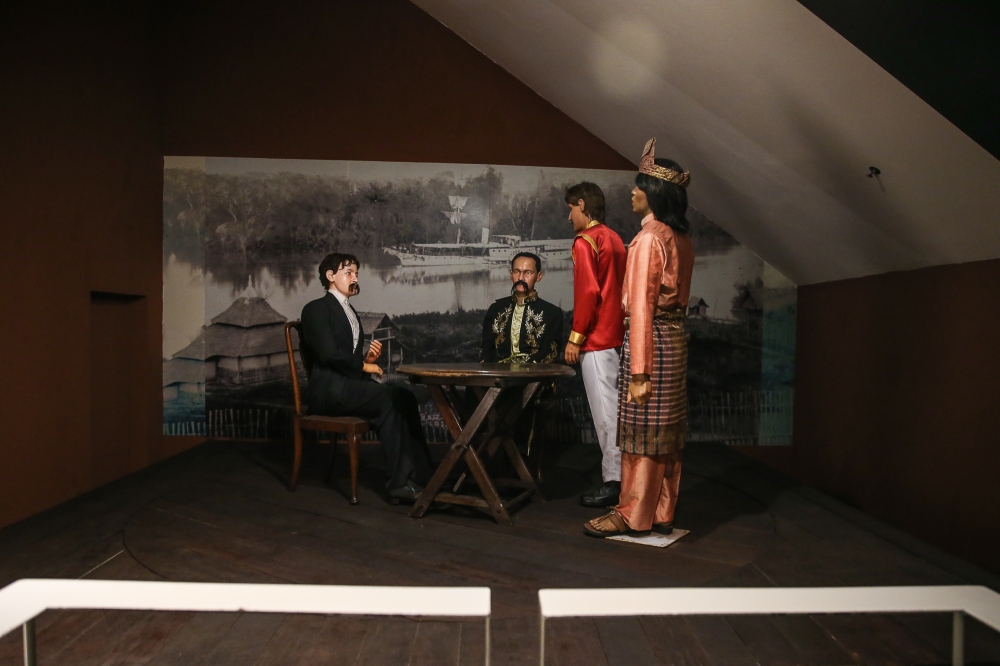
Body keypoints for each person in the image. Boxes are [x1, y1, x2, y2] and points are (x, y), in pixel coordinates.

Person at [584, 138, 695, 537]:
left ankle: (632, 513)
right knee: (665, 433)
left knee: (642, 432)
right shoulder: (680, 238)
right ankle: (661, 510)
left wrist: (639, 371)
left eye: (640, 186)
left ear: (655, 193)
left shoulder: (649, 239)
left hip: (652, 343)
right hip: (674, 341)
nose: (633, 192)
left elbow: (643, 309)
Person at [300, 252, 433, 503]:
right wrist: (363, 366)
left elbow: (346, 358)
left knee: (404, 396)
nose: (355, 278)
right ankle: (399, 485)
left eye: (357, 274)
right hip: (328, 390)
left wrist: (366, 359)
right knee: (390, 399)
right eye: (348, 273)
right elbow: (328, 355)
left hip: (348, 386)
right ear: (330, 276)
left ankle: (424, 477)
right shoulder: (315, 309)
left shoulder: (350, 311)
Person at [563, 182, 628, 508]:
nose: (569, 217)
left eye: (570, 209)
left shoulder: (585, 240)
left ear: (582, 205)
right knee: (617, 411)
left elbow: (588, 293)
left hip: (597, 339)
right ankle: (624, 478)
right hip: (618, 337)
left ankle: (614, 481)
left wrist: (576, 337)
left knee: (605, 414)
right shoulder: (614, 238)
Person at [481, 252, 563, 364]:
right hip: (499, 371)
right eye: (516, 272)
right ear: (511, 274)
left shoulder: (552, 313)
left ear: (539, 276)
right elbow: (486, 351)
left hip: (535, 372)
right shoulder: (496, 309)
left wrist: (524, 371)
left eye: (527, 273)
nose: (521, 278)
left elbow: (549, 353)